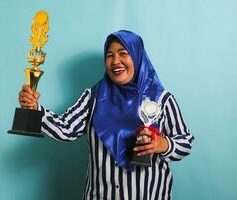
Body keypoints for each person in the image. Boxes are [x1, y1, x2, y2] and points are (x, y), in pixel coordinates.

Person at [19, 30, 194, 200]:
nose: (115, 61)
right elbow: (66, 129)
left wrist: (163, 144)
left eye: (123, 53)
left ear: (137, 56)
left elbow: (185, 142)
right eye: (109, 55)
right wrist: (34, 109)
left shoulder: (161, 99)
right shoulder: (93, 97)